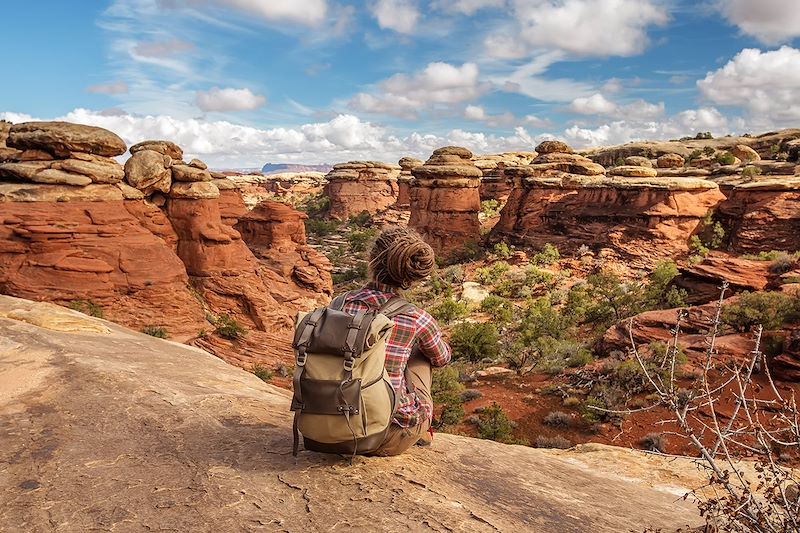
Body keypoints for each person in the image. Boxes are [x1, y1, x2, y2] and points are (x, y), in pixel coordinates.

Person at [340, 226, 451, 456]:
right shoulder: (417, 318)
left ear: (372, 261)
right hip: (384, 437)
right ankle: (422, 428)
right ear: (410, 278)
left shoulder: (340, 304)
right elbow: (441, 359)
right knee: (422, 354)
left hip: (330, 426)